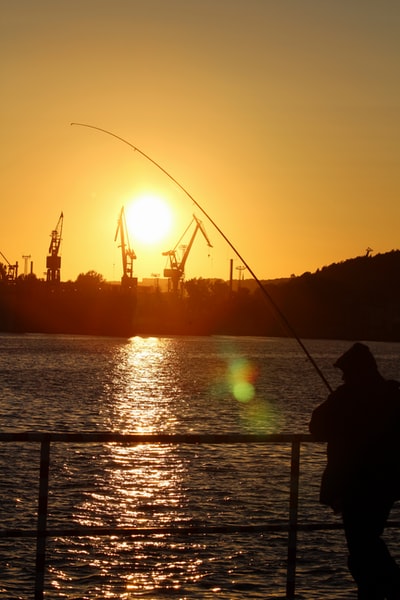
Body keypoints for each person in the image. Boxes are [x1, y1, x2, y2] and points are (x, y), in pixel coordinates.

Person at [309, 342, 400, 599]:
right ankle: (375, 589)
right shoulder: (392, 394)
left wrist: (337, 399)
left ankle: (390, 585)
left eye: (346, 372)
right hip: (386, 485)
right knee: (367, 541)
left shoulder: (345, 397)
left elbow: (317, 426)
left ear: (356, 371)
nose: (344, 377)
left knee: (362, 544)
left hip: (355, 485)